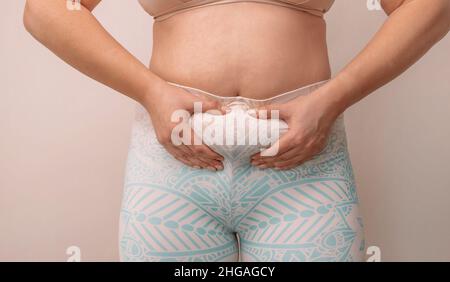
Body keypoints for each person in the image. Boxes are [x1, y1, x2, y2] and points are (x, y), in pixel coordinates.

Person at [23, 0, 450, 261]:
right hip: (175, 170)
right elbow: (46, 8)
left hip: (303, 167)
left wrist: (332, 99)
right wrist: (150, 92)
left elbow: (432, 5)